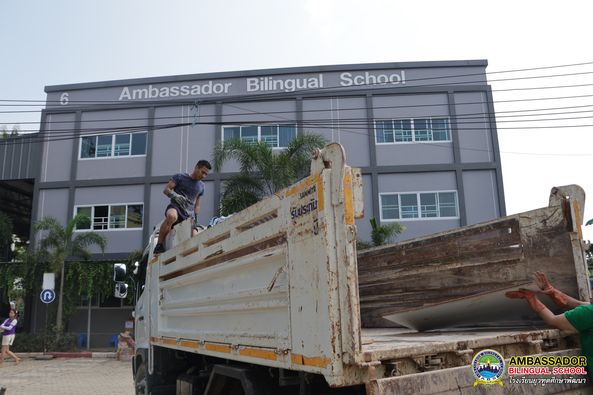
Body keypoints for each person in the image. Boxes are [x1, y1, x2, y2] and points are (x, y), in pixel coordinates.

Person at [506, 271, 592, 379]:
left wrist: (532, 299)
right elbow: (578, 304)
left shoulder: (589, 312)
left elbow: (552, 320)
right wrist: (552, 292)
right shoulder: (588, 310)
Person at [153, 160, 212, 254]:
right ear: (197, 167)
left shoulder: (202, 186)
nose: (204, 176)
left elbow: (197, 204)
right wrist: (174, 195)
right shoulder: (180, 177)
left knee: (195, 235)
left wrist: (196, 218)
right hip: (175, 207)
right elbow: (166, 190)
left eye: (206, 174)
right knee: (172, 216)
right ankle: (159, 245)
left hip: (188, 214)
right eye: (203, 172)